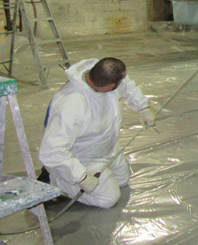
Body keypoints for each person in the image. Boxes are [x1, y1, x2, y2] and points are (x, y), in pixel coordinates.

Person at [38, 57, 155, 209]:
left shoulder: (101, 75)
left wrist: (143, 107)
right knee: (108, 198)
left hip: (106, 146)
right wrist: (81, 177)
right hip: (82, 155)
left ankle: (82, 176)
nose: (123, 82)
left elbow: (127, 85)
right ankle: (55, 179)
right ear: (111, 86)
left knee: (122, 180)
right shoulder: (71, 104)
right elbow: (51, 151)